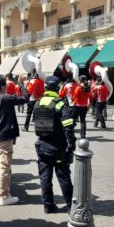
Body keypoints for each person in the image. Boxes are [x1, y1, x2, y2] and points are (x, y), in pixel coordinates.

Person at [33, 76, 76, 214]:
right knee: (63, 176)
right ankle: (71, 206)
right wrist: (72, 145)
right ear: (57, 88)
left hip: (41, 145)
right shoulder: (60, 104)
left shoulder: (37, 103)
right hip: (57, 146)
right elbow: (68, 127)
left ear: (45, 88)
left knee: (45, 177)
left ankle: (48, 206)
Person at [0, 75, 29, 206]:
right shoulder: (5, 98)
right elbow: (25, 98)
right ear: (3, 86)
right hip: (4, 135)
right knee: (5, 166)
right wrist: (21, 85)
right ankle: (4, 195)